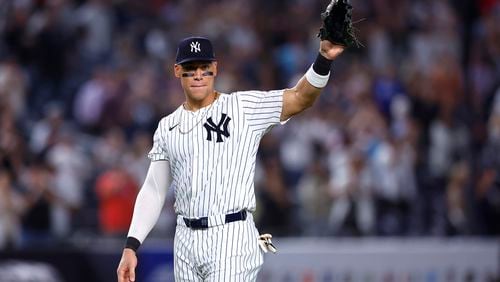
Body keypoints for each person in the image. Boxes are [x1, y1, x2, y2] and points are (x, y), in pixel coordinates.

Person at [116, 34, 344, 281]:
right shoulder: (168, 126)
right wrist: (131, 245)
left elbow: (300, 97)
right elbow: (154, 189)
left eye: (204, 67)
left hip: (231, 234)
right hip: (184, 238)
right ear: (177, 71)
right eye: (191, 68)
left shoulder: (243, 107)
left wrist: (323, 59)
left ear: (215, 68)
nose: (198, 74)